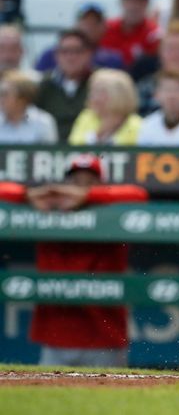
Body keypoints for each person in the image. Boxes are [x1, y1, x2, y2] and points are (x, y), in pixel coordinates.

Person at [0, 153, 148, 367]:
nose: (78, 188)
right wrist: (28, 195)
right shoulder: (48, 209)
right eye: (74, 182)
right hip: (56, 337)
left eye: (89, 182)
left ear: (100, 185)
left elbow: (138, 194)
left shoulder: (110, 212)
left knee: (109, 400)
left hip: (104, 337)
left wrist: (87, 196)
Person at [35, 30, 95, 141]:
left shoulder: (99, 83)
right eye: (65, 51)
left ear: (88, 54)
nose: (70, 57)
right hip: (50, 151)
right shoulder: (44, 85)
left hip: (89, 150)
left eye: (77, 51)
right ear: (56, 55)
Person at [99, 0, 161, 69]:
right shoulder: (105, 29)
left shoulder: (154, 34)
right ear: (122, 0)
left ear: (147, 2)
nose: (134, 5)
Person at [68, 68, 142, 145]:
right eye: (92, 91)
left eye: (99, 92)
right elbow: (73, 147)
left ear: (118, 95)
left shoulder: (136, 124)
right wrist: (100, 133)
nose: (92, 97)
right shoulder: (86, 117)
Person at [0, 70, 58, 144]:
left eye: (5, 94)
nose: (1, 99)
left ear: (22, 98)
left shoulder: (43, 122)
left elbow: (49, 154)